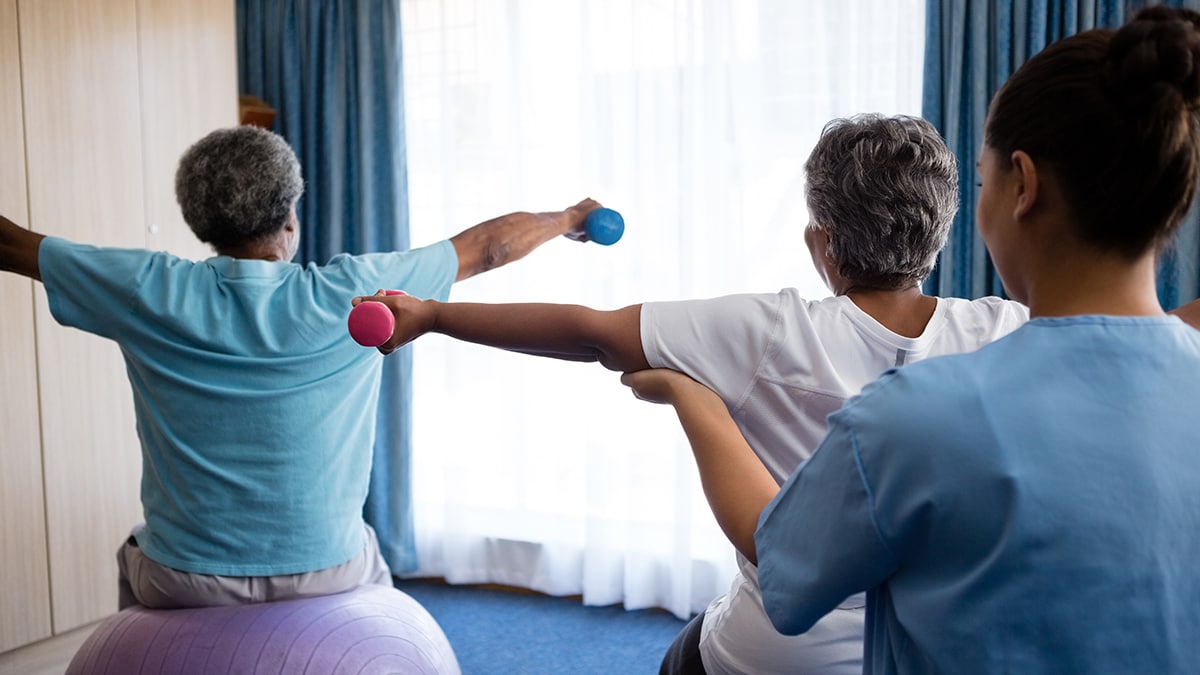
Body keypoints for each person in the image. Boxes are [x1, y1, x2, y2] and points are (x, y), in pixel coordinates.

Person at [623, 6, 1200, 673]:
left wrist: (692, 398)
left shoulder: (913, 414)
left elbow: (785, 572)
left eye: (984, 180)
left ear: (1024, 186)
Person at [355, 113, 1034, 674]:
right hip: (936, 648)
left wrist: (434, 316)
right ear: (941, 232)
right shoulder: (1007, 331)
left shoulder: (769, 329)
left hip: (777, 653)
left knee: (687, 654)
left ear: (821, 243)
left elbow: (588, 331)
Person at [0, 124, 601, 609]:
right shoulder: (358, 293)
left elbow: (13, 244)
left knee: (134, 557)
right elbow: (487, 249)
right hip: (330, 570)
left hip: (186, 580)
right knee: (373, 570)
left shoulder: (145, 289)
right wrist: (570, 218)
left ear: (200, 225)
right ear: (289, 220)